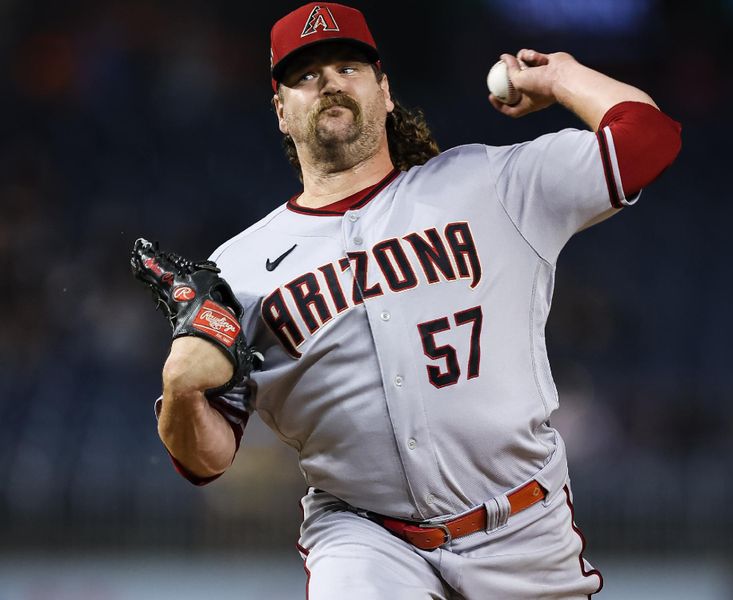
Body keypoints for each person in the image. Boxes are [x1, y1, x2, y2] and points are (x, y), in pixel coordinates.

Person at [153, 3, 681, 598]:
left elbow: (649, 140)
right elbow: (207, 460)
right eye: (305, 75)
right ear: (281, 111)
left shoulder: (487, 184)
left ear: (385, 91)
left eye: (348, 66)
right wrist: (181, 392)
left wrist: (560, 78)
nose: (328, 81)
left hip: (524, 529)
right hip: (366, 539)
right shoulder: (239, 269)